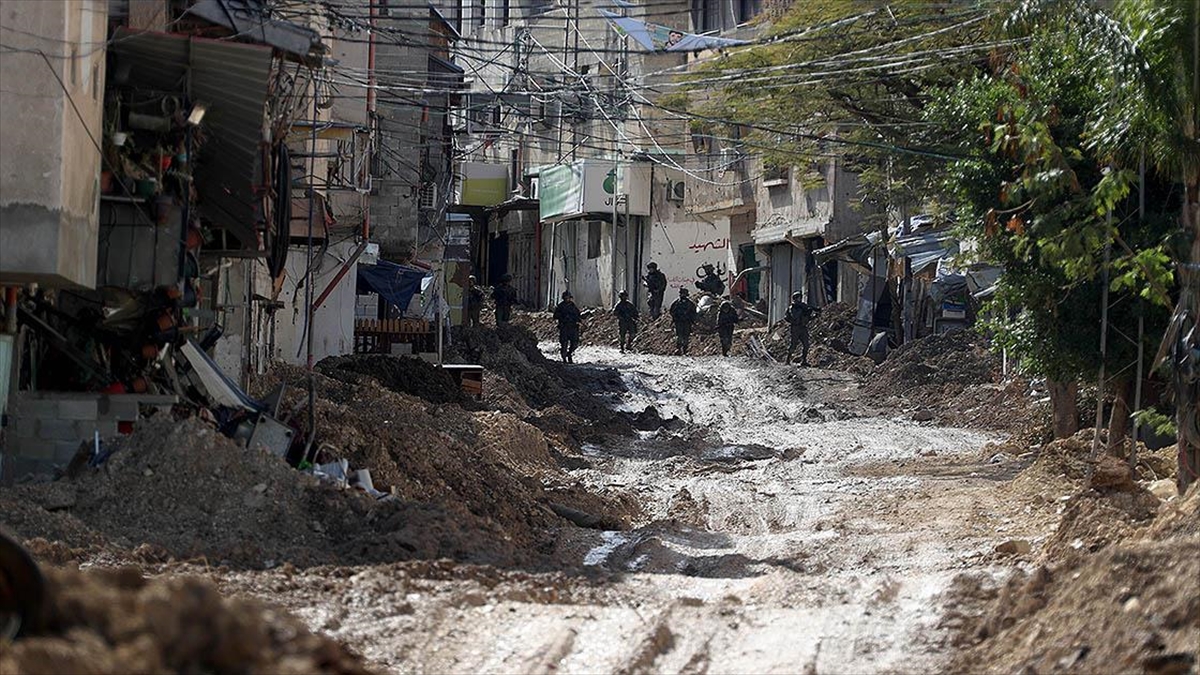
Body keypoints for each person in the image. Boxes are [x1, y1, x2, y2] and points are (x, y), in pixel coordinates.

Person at [785, 291, 818, 366]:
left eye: (800, 297)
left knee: (806, 345)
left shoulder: (803, 306)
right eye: (798, 298)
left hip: (803, 327)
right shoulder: (793, 307)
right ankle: (787, 360)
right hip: (795, 328)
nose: (800, 299)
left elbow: (807, 318)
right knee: (793, 345)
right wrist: (802, 309)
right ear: (795, 298)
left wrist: (812, 315)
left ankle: (804, 361)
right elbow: (795, 316)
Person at [553, 290, 582, 363]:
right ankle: (564, 358)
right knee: (564, 344)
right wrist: (563, 317)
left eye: (569, 297)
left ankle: (569, 354)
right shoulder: (560, 306)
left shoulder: (573, 306)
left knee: (574, 343)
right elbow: (555, 316)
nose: (568, 299)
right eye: (566, 297)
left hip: (573, 327)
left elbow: (578, 315)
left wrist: (579, 321)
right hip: (564, 327)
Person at [669, 287, 698, 356]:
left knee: (686, 336)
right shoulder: (676, 303)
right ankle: (679, 349)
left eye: (684, 294)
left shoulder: (690, 304)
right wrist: (675, 318)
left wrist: (691, 319)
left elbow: (694, 313)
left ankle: (685, 350)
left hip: (687, 322)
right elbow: (672, 311)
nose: (683, 295)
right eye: (682, 294)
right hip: (679, 322)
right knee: (679, 336)